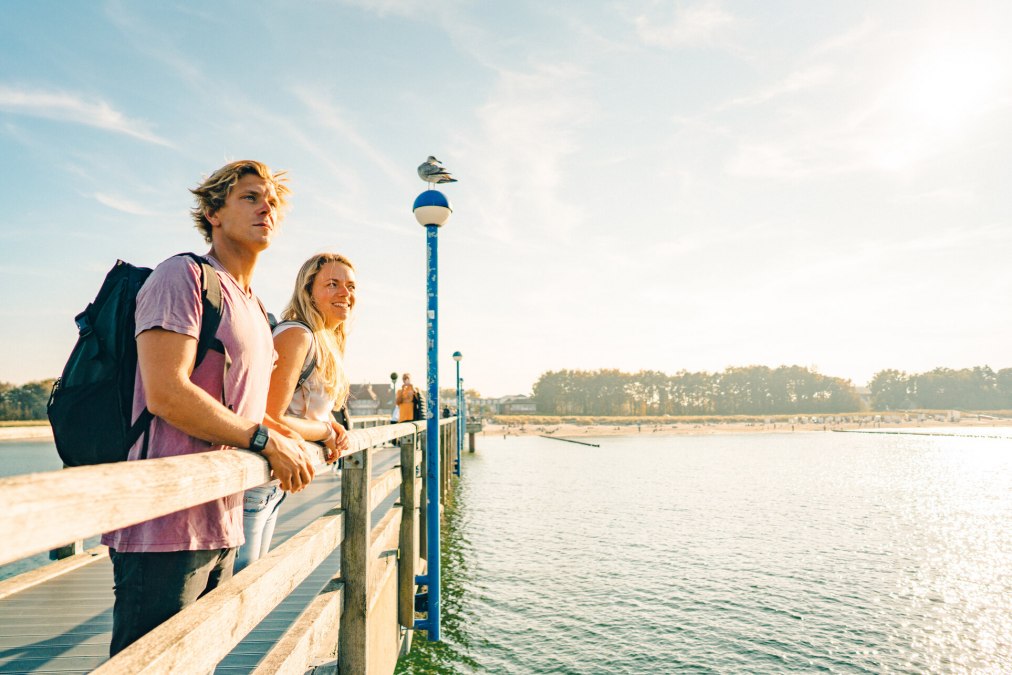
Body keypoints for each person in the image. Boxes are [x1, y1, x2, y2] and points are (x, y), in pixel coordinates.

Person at [100, 160, 317, 656]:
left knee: (200, 659)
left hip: (222, 518)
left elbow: (244, 409)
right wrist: (264, 440)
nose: (268, 207)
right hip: (164, 525)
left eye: (274, 202)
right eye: (250, 197)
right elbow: (167, 392)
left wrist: (292, 436)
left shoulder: (257, 310)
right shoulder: (183, 276)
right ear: (212, 212)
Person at [235, 253, 356, 572]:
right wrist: (326, 432)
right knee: (238, 590)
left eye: (351, 286)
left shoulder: (319, 339)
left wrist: (329, 421)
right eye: (333, 284)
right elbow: (265, 415)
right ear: (308, 291)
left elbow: (298, 401)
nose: (346, 293)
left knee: (249, 586)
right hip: (253, 483)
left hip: (273, 480)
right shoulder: (297, 335)